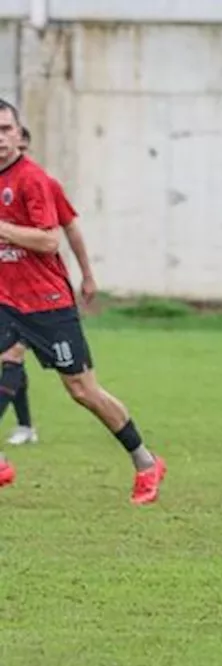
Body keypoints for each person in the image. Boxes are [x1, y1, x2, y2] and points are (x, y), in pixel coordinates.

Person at [0, 100, 165, 500]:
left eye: (5, 130)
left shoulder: (33, 181)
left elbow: (50, 238)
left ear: (20, 135)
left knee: (81, 390)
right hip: (6, 301)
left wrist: (87, 275)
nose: (0, 139)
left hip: (47, 303)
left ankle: (145, 461)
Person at [2, 125, 99, 446]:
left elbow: (69, 230)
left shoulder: (42, 184)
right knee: (12, 359)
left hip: (42, 296)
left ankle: (25, 427)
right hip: (9, 293)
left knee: (14, 357)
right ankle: (26, 426)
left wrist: (86, 275)